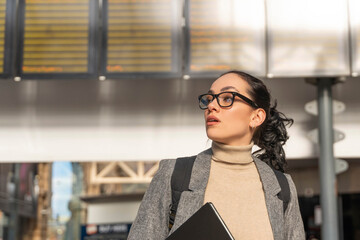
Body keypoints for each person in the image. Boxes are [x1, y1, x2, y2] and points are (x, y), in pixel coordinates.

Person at [128, 70, 305, 240]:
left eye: (227, 98)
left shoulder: (282, 187)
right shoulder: (174, 175)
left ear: (256, 117)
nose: (211, 106)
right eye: (209, 98)